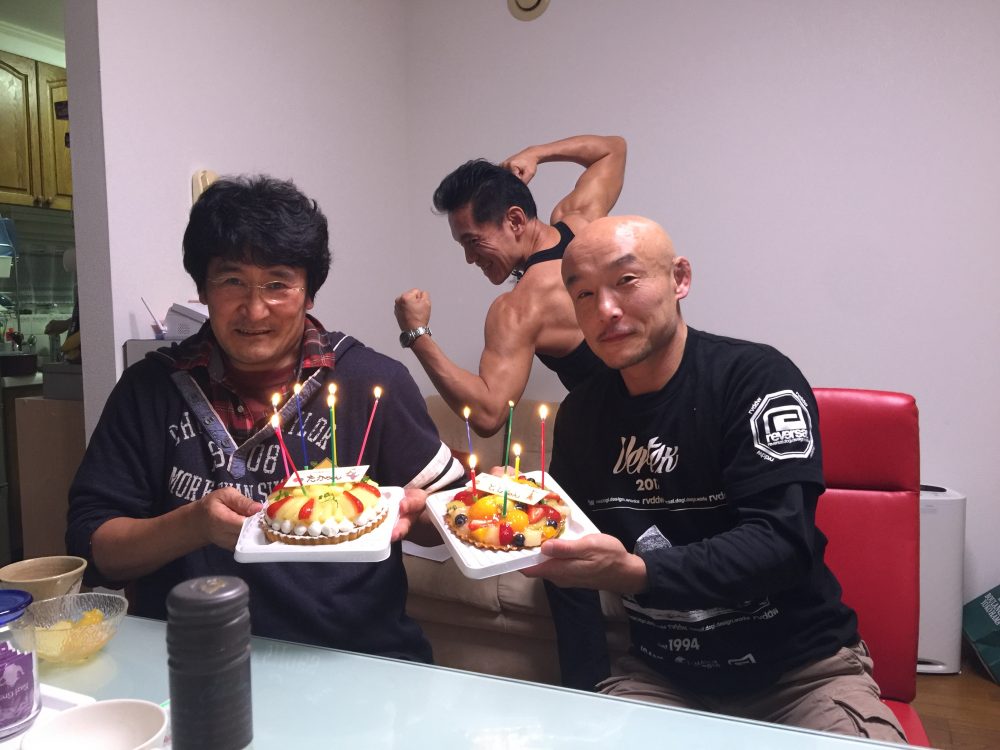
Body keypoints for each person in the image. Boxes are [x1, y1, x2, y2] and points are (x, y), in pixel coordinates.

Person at [522, 215, 906, 742]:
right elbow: (569, 566)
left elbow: (780, 543)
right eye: (584, 294)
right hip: (664, 679)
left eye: (625, 280)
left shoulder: (755, 379)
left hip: (801, 674)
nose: (605, 309)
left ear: (679, 279)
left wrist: (637, 572)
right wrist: (586, 694)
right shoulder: (582, 416)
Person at [66, 175, 464, 662]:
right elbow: (94, 550)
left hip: (354, 661)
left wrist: (421, 513)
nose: (255, 310)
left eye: (278, 284)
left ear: (309, 292)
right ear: (202, 289)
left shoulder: (371, 382)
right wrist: (193, 525)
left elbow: (445, 517)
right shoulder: (149, 389)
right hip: (192, 663)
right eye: (231, 281)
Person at [394, 134, 626, 436]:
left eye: (474, 241)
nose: (469, 258)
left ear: (515, 220)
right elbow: (612, 150)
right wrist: (537, 153)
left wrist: (416, 334)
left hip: (623, 440)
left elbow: (489, 415)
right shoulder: (580, 222)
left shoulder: (521, 307)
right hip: (673, 397)